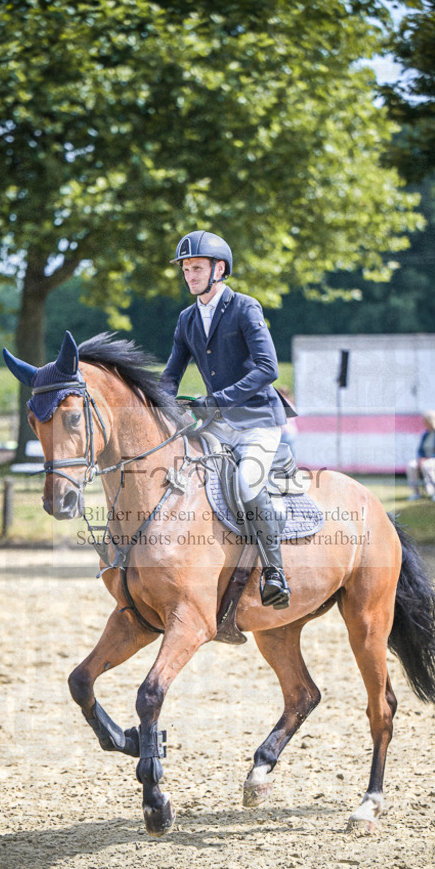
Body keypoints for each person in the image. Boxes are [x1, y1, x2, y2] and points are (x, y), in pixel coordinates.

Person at [160, 230, 295, 609]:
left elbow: (268, 368)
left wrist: (216, 401)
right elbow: (171, 375)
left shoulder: (245, 307)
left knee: (247, 486)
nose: (190, 275)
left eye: (197, 267)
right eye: (186, 269)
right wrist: (155, 405)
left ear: (219, 269)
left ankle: (274, 573)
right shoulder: (187, 318)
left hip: (257, 420)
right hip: (218, 423)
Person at [406, 411, 435, 502]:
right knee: (411, 466)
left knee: (428, 465)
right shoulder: (425, 434)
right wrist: (420, 459)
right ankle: (416, 493)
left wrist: (426, 459)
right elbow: (420, 450)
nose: (424, 423)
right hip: (425, 459)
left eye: (426, 421)